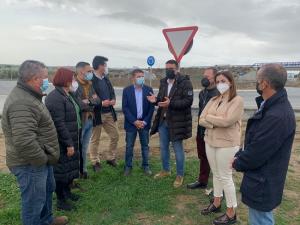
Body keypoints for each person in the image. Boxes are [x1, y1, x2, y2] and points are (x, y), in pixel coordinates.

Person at [1, 60, 68, 225]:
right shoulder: (22, 102)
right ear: (34, 78)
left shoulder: (30, 95)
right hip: (29, 163)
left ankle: (46, 220)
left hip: (38, 160)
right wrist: (41, 160)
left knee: (45, 192)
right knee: (33, 202)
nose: (48, 81)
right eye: (45, 77)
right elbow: (24, 140)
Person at [232, 64, 296, 225]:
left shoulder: (277, 115)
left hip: (263, 180)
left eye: (258, 79)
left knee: (261, 219)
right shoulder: (270, 105)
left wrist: (238, 162)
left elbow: (258, 151)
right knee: (261, 216)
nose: (257, 83)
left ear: (265, 83)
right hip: (262, 177)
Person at [199, 70, 244, 225]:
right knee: (217, 174)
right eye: (217, 81)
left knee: (225, 176)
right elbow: (200, 119)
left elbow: (228, 121)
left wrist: (209, 120)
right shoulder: (213, 99)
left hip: (227, 144)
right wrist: (215, 121)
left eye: (223, 81)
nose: (220, 84)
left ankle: (231, 213)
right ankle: (217, 203)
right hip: (210, 141)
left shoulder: (237, 100)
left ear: (230, 82)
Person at [148, 59, 193, 188]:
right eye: (166, 68)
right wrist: (155, 100)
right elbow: (162, 99)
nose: (168, 71)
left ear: (177, 69)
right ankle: (166, 170)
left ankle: (180, 175)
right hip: (163, 121)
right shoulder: (163, 82)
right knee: (163, 148)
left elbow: (188, 102)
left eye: (171, 68)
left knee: (177, 149)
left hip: (177, 122)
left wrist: (170, 103)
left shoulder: (185, 82)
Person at [45, 68, 81, 211]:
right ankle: (61, 200)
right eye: (72, 78)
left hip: (71, 137)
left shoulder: (66, 94)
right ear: (66, 81)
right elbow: (59, 123)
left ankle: (67, 193)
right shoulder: (55, 97)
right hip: (62, 142)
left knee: (68, 169)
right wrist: (68, 143)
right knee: (60, 172)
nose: (74, 81)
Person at [187, 67, 219, 190]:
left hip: (213, 131)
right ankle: (202, 181)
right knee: (203, 156)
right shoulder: (202, 93)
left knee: (215, 158)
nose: (204, 78)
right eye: (204, 76)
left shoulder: (218, 94)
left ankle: (219, 186)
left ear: (215, 78)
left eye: (208, 76)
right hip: (201, 130)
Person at [122, 68, 155, 176]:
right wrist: (134, 121)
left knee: (145, 145)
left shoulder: (149, 89)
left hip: (144, 123)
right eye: (138, 76)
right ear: (133, 78)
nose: (141, 78)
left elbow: (151, 108)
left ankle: (145, 165)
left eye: (142, 76)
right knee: (129, 146)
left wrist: (144, 122)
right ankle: (128, 166)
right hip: (131, 123)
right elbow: (125, 108)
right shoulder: (126, 90)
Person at [89, 56, 119, 171]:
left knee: (115, 135)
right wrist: (101, 103)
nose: (106, 67)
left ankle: (110, 158)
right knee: (95, 139)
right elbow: (90, 97)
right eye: (105, 65)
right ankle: (95, 162)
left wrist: (113, 99)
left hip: (109, 113)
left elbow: (111, 91)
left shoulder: (105, 78)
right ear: (100, 66)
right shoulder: (91, 80)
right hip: (97, 113)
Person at [74, 61, 100, 179]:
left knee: (84, 147)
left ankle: (83, 170)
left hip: (90, 119)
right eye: (89, 71)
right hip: (80, 121)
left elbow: (97, 100)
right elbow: (79, 104)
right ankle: (75, 172)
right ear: (81, 72)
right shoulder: (74, 85)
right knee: (77, 147)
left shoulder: (90, 84)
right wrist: (90, 101)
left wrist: (89, 101)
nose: (91, 73)